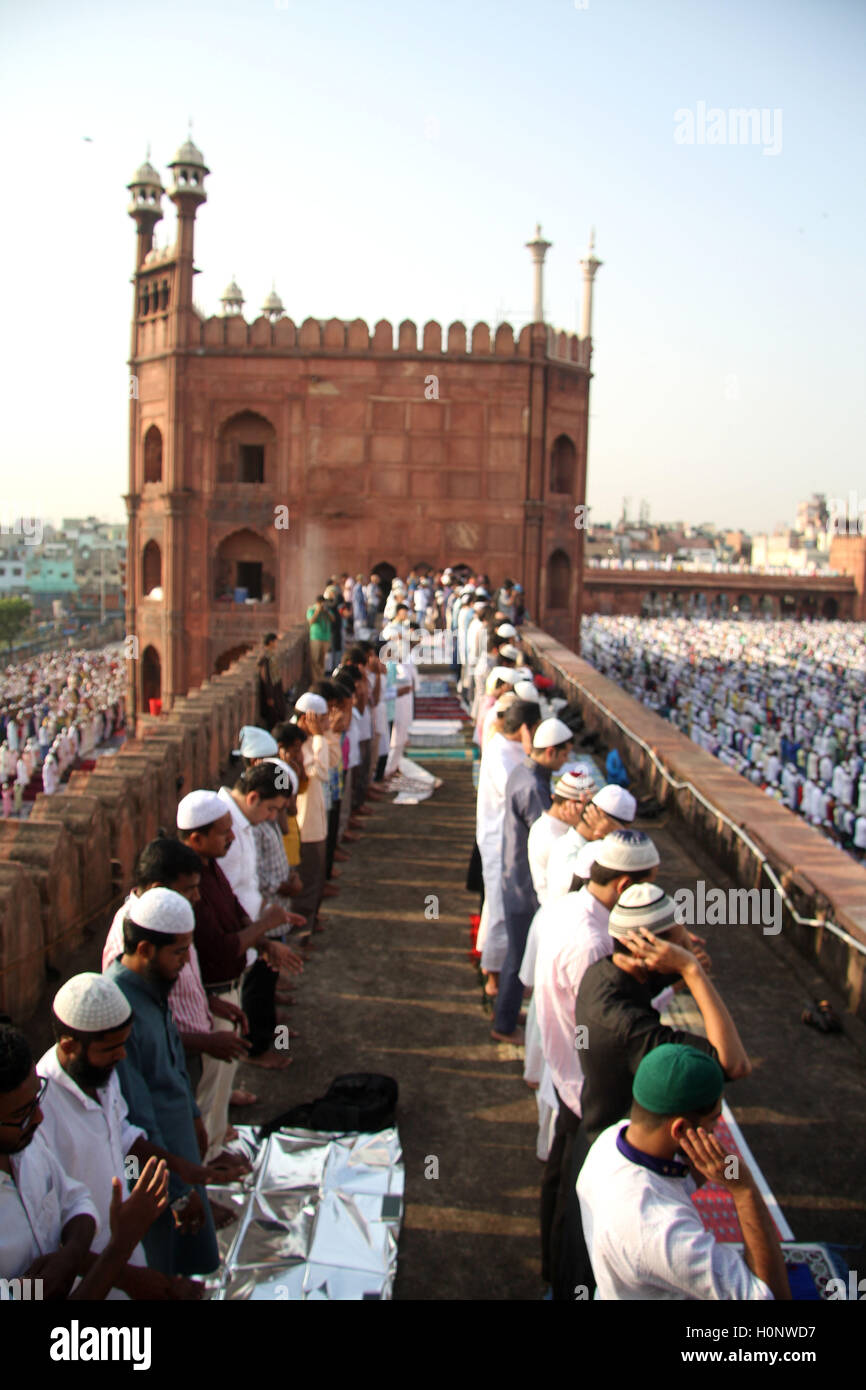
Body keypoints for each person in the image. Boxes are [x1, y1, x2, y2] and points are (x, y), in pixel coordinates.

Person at [37, 973, 244, 1298]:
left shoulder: (102, 1075)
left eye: (124, 1044)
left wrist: (181, 1168)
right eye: (111, 1049)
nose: (122, 1056)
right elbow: (50, 1234)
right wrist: (126, 1276)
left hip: (122, 1247)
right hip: (85, 1275)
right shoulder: (41, 1111)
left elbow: (123, 1137)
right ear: (69, 1046)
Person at [535, 833, 662, 1299]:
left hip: (563, 1068)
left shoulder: (574, 908)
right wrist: (679, 975)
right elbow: (612, 1023)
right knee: (578, 1197)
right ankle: (562, 1280)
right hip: (581, 1083)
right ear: (625, 882)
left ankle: (553, 1271)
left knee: (560, 1179)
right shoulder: (593, 942)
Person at [577, 1044, 790, 1300]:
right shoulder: (664, 1232)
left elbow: (676, 1180)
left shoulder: (611, 1140)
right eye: (713, 1120)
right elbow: (771, 1296)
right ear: (679, 1130)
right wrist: (744, 1190)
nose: (716, 1130)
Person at [105, 888, 220, 1277]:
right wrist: (175, 1190)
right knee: (160, 1270)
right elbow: (136, 1112)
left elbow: (172, 1064)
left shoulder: (155, 988)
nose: (184, 963)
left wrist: (193, 1115)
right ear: (146, 949)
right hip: (158, 1168)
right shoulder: (117, 1008)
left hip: (180, 1150)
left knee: (188, 1265)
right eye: (177, 953)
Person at [492, 716, 574, 1043]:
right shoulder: (533, 788)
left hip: (515, 876)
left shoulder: (525, 774)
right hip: (525, 885)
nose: (567, 760)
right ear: (552, 751)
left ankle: (507, 1013)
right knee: (520, 954)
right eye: (565, 754)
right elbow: (547, 838)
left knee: (519, 952)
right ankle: (503, 1024)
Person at [306, 597, 332, 681]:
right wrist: (317, 611)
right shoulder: (312, 610)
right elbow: (311, 621)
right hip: (315, 638)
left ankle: (321, 678)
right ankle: (316, 679)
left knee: (322, 660)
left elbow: (333, 619)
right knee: (315, 660)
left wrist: (326, 611)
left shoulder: (326, 610)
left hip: (326, 638)